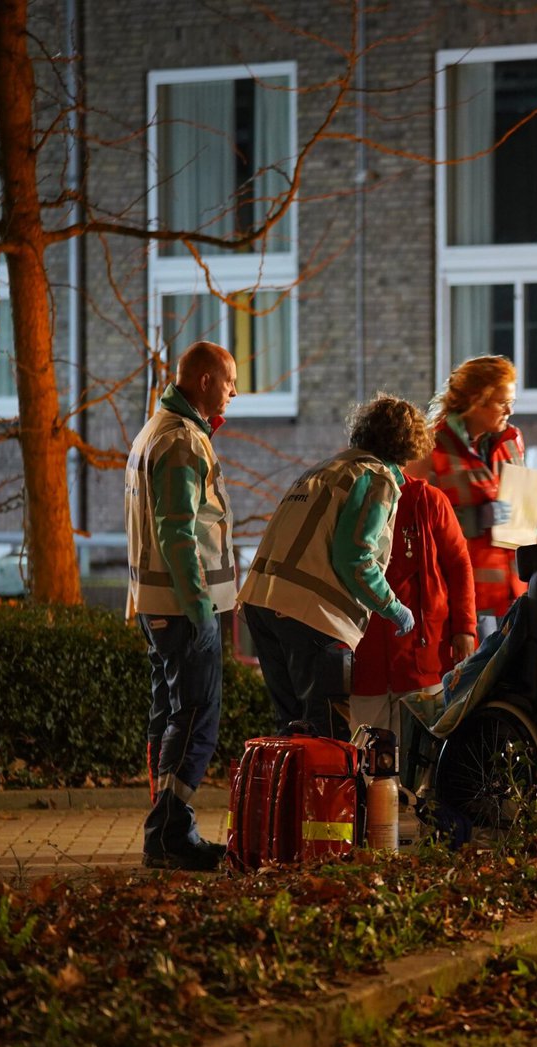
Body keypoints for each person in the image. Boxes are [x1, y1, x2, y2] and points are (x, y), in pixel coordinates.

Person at [239, 394, 430, 740]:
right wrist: (394, 608)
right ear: (407, 445)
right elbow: (355, 558)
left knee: (291, 729)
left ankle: (291, 796)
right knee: (327, 733)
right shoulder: (376, 479)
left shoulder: (322, 469)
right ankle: (327, 796)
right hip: (314, 616)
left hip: (261, 604)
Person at [125, 340, 239, 872]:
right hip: (185, 605)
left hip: (157, 604)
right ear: (205, 381)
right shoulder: (181, 441)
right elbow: (178, 535)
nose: (236, 391)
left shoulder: (156, 430)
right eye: (231, 381)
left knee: (169, 716)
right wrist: (199, 608)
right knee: (196, 719)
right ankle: (169, 833)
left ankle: (166, 829)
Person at [349, 457, 477, 769]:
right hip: (370, 658)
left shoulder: (428, 500)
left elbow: (459, 565)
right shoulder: (352, 497)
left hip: (419, 655)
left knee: (419, 761)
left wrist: (464, 628)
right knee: (369, 762)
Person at [426, 355, 527, 621]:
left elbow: (523, 513)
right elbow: (419, 523)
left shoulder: (511, 440)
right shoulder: (432, 448)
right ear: (476, 402)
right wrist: (474, 519)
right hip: (464, 600)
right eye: (502, 403)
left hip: (515, 594)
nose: (510, 411)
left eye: (512, 402)